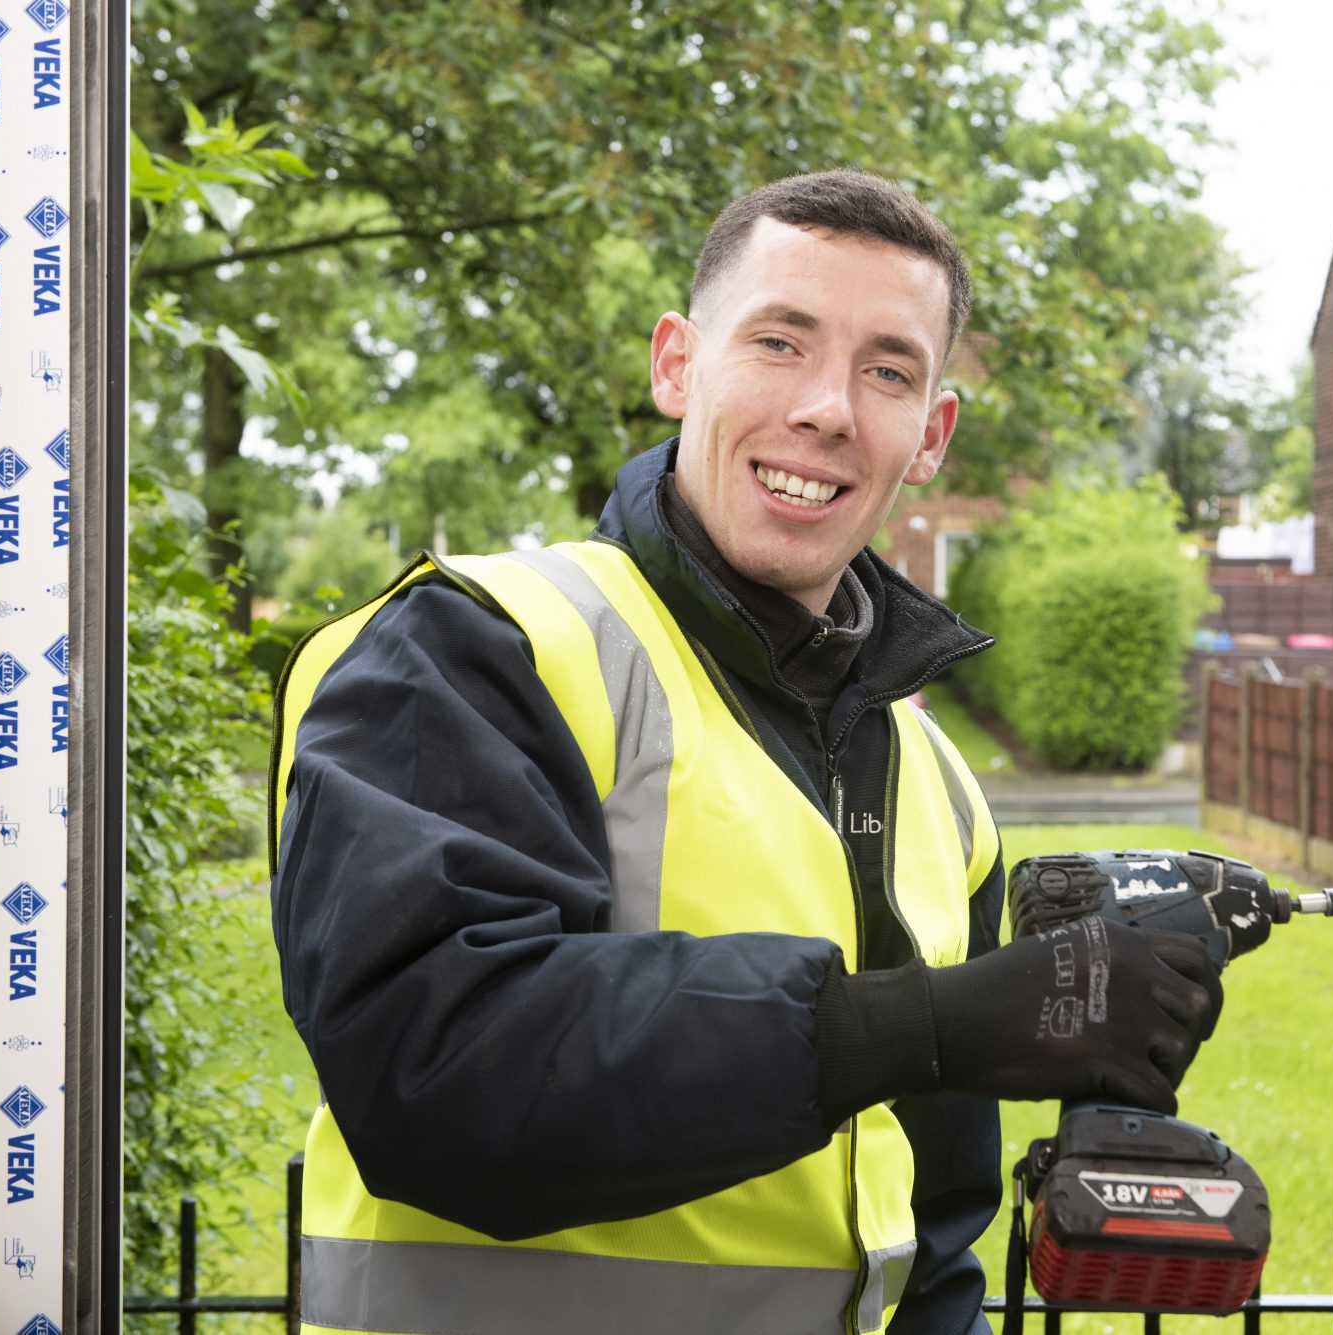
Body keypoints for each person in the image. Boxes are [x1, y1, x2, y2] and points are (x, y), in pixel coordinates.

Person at [270, 170, 1223, 1335]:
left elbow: (927, 1243)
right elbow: (430, 1066)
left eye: (887, 371)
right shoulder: (475, 647)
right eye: (779, 342)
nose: (828, 408)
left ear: (930, 436)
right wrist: (921, 1026)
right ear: (677, 365)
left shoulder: (936, 788)